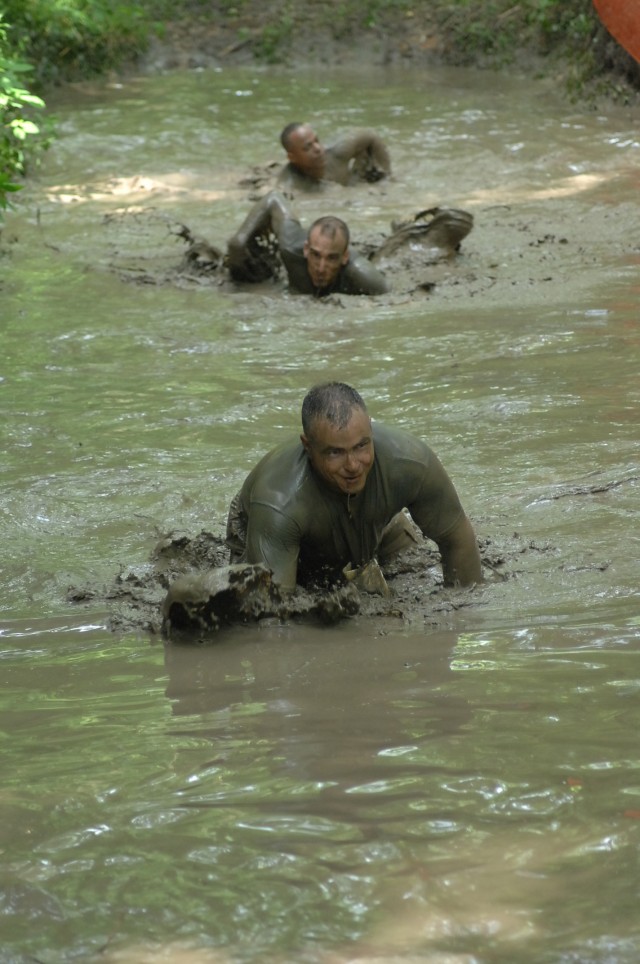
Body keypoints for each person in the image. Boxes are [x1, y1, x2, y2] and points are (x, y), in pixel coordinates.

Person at [226, 382, 483, 594]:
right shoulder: (279, 503)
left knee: (413, 570)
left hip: (372, 519)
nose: (353, 465)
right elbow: (273, 615)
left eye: (361, 446)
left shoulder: (411, 463)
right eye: (335, 452)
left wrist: (462, 616)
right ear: (308, 447)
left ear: (370, 429)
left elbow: (457, 538)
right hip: (275, 531)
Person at [226, 190, 389, 296]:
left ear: (344, 257)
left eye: (331, 258)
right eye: (316, 255)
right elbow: (274, 199)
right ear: (306, 249)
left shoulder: (363, 276)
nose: (321, 267)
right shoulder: (290, 247)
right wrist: (239, 241)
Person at [277, 121, 391, 190]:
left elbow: (370, 135)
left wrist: (386, 176)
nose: (317, 149)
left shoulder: (337, 154)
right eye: (308, 147)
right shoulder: (291, 184)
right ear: (292, 158)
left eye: (317, 141)